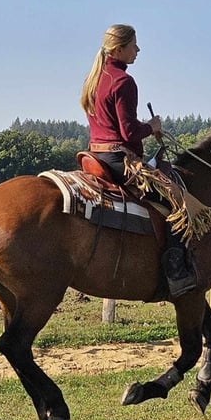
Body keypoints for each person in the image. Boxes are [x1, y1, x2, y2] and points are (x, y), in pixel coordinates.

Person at [80, 24, 196, 297]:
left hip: (96, 154)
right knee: (176, 200)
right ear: (119, 49)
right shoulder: (123, 81)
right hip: (119, 158)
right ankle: (176, 270)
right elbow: (128, 132)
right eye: (134, 45)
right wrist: (152, 126)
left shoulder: (94, 78)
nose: (138, 50)